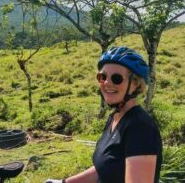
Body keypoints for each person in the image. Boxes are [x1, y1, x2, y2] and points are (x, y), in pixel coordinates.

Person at [46, 46, 162, 183]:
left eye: (116, 78)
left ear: (135, 84)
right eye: (102, 77)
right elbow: (105, 168)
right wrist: (64, 182)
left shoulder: (140, 128)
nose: (107, 83)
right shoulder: (115, 117)